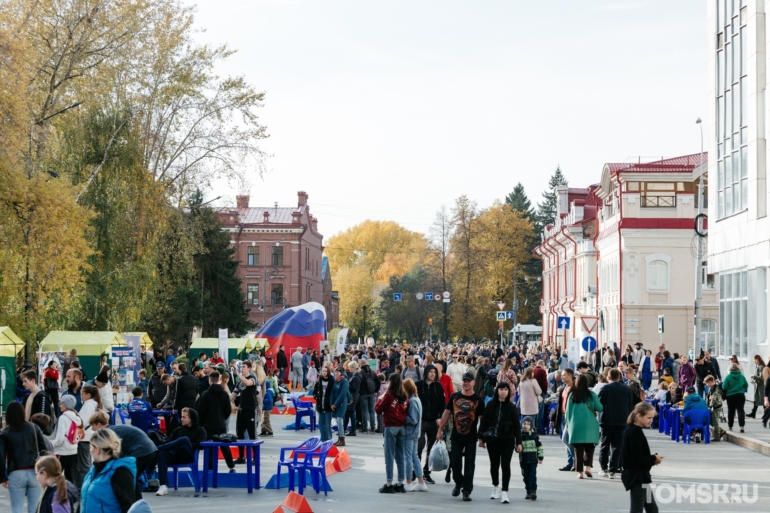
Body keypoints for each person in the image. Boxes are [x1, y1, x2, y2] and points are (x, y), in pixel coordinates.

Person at [437, 372, 485, 502]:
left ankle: (467, 491)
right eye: (464, 381)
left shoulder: (478, 400)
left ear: (473, 383)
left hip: (471, 437)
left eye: (469, 381)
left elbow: (483, 419)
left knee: (469, 465)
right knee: (454, 462)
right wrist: (440, 430)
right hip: (456, 436)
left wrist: (482, 437)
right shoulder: (455, 397)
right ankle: (459, 482)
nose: (466, 383)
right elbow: (446, 414)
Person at [90, 412, 157, 500]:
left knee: (128, 476)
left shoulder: (108, 433)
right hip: (150, 449)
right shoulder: (113, 429)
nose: (92, 429)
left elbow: (113, 452)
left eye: (93, 426)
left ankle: (133, 502)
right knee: (132, 476)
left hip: (141, 450)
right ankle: (137, 502)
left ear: (99, 425)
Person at [0, 402, 50, 513]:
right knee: (34, 509)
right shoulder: (34, 428)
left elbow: (1, 457)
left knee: (16, 509)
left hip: (15, 473)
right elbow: (44, 449)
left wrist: (2, 477)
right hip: (35, 472)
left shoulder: (5, 433)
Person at [478, 382, 521, 504]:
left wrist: (519, 442)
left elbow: (517, 426)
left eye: (505, 389)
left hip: (508, 438)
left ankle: (505, 491)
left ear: (509, 392)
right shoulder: (491, 404)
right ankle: (495, 486)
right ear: (497, 390)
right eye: (501, 389)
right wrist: (480, 437)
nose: (503, 392)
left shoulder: (512, 406)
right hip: (493, 439)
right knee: (494, 464)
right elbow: (484, 421)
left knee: (506, 465)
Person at [153, 408, 207, 496]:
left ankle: (157, 448)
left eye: (184, 417)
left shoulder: (200, 430)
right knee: (161, 454)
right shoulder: (178, 430)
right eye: (181, 417)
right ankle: (163, 485)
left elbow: (199, 445)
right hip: (175, 455)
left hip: (188, 455)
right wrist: (177, 445)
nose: (181, 419)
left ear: (191, 419)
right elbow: (168, 443)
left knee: (184, 440)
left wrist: (182, 445)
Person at [81, 428, 136, 513]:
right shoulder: (92, 472)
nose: (90, 450)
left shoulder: (121, 473)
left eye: (91, 447)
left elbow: (129, 506)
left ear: (97, 449)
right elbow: (84, 502)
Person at [621, 402, 663, 513]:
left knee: (652, 509)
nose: (651, 420)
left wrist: (652, 458)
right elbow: (637, 459)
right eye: (649, 417)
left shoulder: (632, 430)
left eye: (652, 418)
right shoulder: (634, 432)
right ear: (639, 416)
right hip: (637, 477)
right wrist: (654, 459)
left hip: (640, 477)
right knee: (637, 508)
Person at [375, 373, 409, 493]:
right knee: (400, 456)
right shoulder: (405, 396)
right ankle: (400, 483)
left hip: (391, 426)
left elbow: (378, 409)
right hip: (401, 427)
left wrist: (379, 400)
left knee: (389, 455)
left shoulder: (389, 396)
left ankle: (389, 483)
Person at [566, 374, 604, 479]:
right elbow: (599, 408)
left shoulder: (572, 395)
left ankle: (580, 472)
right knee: (590, 447)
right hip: (590, 425)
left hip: (576, 424)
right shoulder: (592, 395)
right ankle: (588, 468)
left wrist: (568, 424)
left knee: (578, 449)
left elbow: (567, 412)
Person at [598, 368, 634, 478]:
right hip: (622, 421)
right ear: (619, 377)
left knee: (604, 444)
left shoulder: (605, 388)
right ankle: (612, 470)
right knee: (616, 446)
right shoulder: (627, 389)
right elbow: (630, 405)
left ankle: (603, 468)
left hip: (607, 420)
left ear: (608, 377)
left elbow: (600, 404)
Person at [196, 370, 236, 470]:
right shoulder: (224, 394)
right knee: (224, 446)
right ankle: (231, 466)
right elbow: (228, 410)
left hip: (208, 424)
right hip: (221, 423)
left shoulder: (205, 394)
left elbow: (201, 410)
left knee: (209, 447)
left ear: (210, 380)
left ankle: (210, 468)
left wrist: (201, 423)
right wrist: (223, 418)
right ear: (218, 380)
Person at [415, 363, 445, 484]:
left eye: (434, 372)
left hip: (434, 421)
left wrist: (440, 417)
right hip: (421, 421)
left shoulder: (438, 386)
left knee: (431, 448)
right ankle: (415, 470)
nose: (432, 374)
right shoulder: (417, 385)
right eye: (430, 372)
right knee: (419, 445)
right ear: (426, 372)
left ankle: (426, 472)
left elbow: (442, 404)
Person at [231, 360, 260, 462]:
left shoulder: (253, 378)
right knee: (239, 433)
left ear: (249, 368)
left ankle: (255, 457)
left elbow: (248, 383)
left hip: (251, 409)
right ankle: (241, 456)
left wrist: (238, 374)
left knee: (252, 434)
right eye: (241, 367)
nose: (242, 368)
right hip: (241, 409)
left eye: (244, 367)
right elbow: (233, 394)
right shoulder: (239, 382)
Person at [76, 385, 103, 488]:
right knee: (87, 463)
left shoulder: (88, 405)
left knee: (84, 465)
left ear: (88, 395)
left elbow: (82, 421)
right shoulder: (95, 404)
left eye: (82, 394)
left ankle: (86, 486)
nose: (81, 396)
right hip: (90, 436)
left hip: (85, 437)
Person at [403, 378, 428, 492]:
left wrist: (402, 418)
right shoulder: (417, 399)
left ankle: (408, 482)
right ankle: (421, 481)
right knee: (414, 457)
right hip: (416, 432)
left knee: (408, 457)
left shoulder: (412, 401)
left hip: (410, 432)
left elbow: (412, 419)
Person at [53, 395, 83, 484]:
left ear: (66, 405)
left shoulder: (63, 418)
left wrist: (53, 445)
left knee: (56, 473)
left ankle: (56, 493)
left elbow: (60, 438)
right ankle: (70, 493)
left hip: (63, 451)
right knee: (69, 475)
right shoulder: (76, 417)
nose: (59, 405)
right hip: (73, 450)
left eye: (61, 403)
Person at [555, 368, 576, 472]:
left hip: (570, 417)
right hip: (562, 416)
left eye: (564, 375)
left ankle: (576, 460)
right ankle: (570, 462)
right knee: (565, 441)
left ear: (570, 376)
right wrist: (554, 416)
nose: (562, 377)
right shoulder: (564, 387)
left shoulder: (575, 388)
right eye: (562, 375)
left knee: (566, 439)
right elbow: (560, 404)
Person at [517, 416, 543, 502]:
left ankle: (533, 491)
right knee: (525, 476)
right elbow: (517, 446)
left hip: (533, 460)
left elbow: (539, 446)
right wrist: (517, 448)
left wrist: (540, 457)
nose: (525, 426)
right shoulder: (520, 435)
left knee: (532, 476)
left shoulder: (534, 435)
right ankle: (528, 491)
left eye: (528, 424)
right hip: (523, 460)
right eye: (524, 424)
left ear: (531, 426)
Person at [721, 362, 749, 432]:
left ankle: (730, 426)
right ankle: (742, 426)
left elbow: (724, 387)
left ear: (730, 369)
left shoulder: (728, 376)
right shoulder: (741, 376)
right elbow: (746, 385)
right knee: (740, 410)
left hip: (730, 396)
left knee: (731, 411)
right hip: (740, 395)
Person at [314, 365, 335, 442]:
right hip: (320, 404)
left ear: (328, 372)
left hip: (328, 405)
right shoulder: (319, 379)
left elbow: (334, 392)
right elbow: (315, 390)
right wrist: (316, 396)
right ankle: (323, 438)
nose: (324, 373)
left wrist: (332, 403)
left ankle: (329, 439)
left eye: (326, 371)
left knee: (327, 423)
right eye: (323, 371)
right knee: (320, 423)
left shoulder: (332, 380)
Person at [331, 366, 350, 447]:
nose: (336, 374)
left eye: (338, 372)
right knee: (338, 421)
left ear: (341, 372)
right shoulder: (335, 381)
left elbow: (343, 394)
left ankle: (342, 439)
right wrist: (331, 404)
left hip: (342, 403)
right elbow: (332, 393)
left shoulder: (344, 381)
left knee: (339, 420)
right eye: (335, 372)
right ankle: (339, 438)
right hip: (335, 402)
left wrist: (335, 404)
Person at [358, 362, 378, 433]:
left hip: (363, 394)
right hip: (371, 393)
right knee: (371, 411)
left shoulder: (361, 372)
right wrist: (375, 390)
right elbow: (378, 382)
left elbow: (358, 382)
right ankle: (373, 427)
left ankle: (365, 428)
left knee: (364, 411)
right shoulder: (372, 372)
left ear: (361, 365)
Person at [344, 361, 361, 437]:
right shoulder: (354, 375)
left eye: (350, 367)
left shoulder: (356, 377)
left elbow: (355, 388)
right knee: (349, 413)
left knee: (351, 413)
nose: (349, 369)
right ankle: (346, 429)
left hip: (353, 397)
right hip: (352, 396)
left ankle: (353, 430)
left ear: (354, 368)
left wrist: (347, 384)